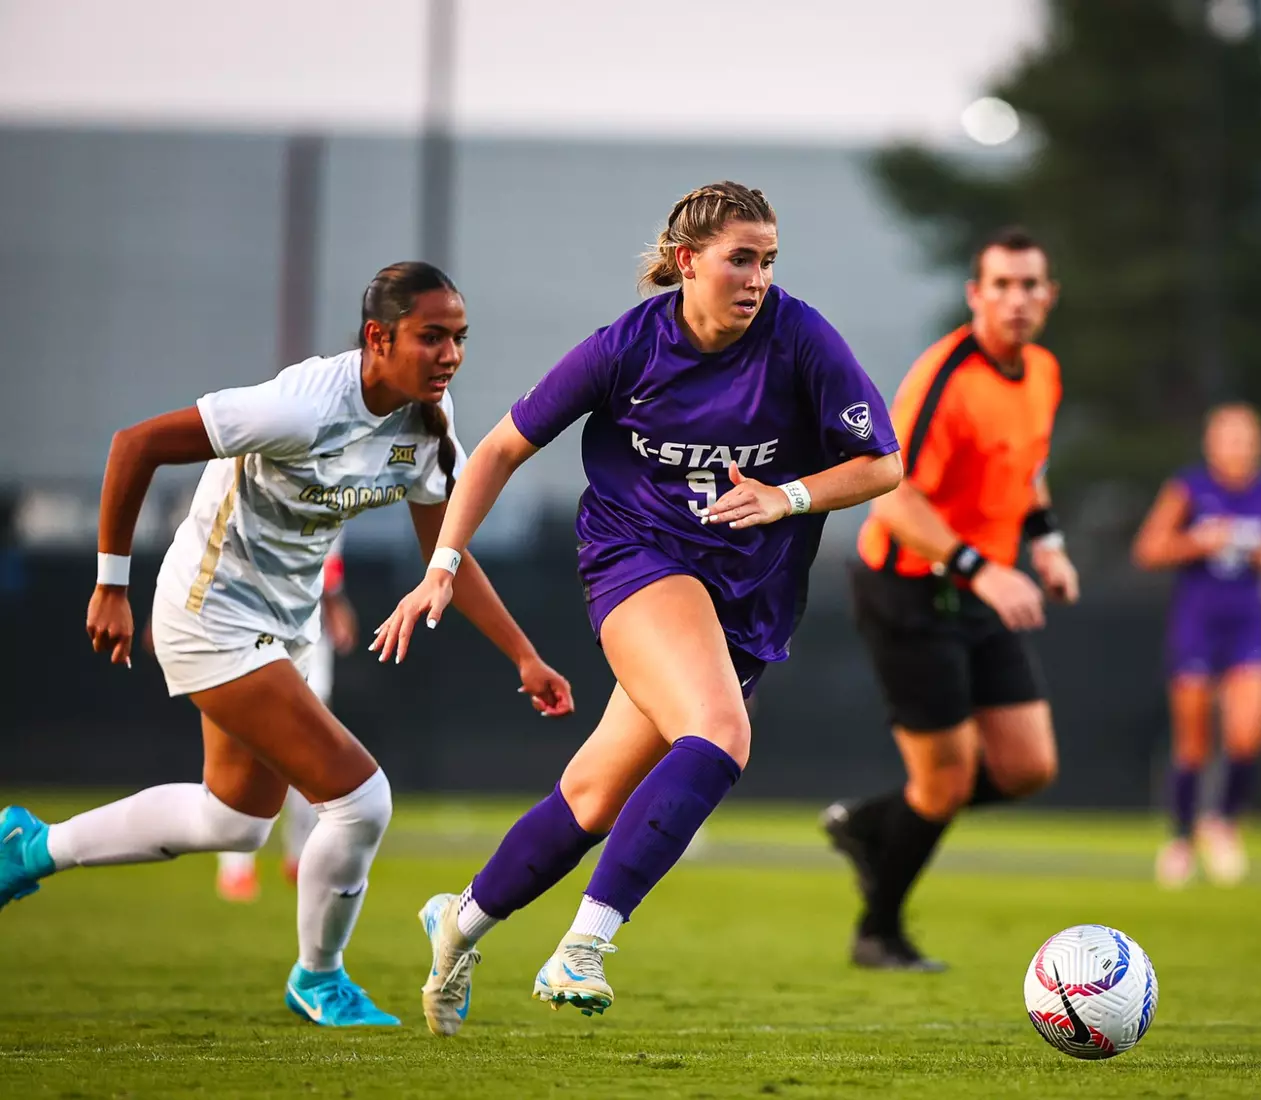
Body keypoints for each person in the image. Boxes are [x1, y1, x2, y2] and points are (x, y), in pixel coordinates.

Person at [370, 181, 903, 1035]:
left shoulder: (799, 336)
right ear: (686, 262)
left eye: (768, 260)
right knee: (723, 732)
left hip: (749, 593)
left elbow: (882, 463)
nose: (757, 277)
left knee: (591, 799)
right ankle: (585, 945)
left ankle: (459, 922)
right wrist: (443, 562)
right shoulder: (627, 347)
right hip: (639, 560)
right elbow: (501, 448)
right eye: (739, 258)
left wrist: (789, 496)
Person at [0, 262, 573, 1028]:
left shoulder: (422, 422)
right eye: (431, 337)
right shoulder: (301, 406)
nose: (449, 355)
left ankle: (30, 847)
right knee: (361, 800)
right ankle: (320, 975)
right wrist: (110, 584)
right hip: (211, 614)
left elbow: (448, 557)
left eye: (458, 339)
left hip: (286, 624)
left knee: (232, 821)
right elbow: (134, 444)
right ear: (379, 337)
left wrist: (523, 656)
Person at [822, 227, 1079, 972]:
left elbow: (1027, 468)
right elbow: (890, 496)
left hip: (977, 590)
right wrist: (983, 567)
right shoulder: (944, 376)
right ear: (976, 295)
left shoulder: (1042, 373)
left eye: (1031, 285)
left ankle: (872, 823)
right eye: (1001, 284)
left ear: (1049, 295)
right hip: (908, 591)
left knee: (1028, 766)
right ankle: (879, 931)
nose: (1017, 299)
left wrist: (1049, 541)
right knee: (946, 780)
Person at [1131, 403, 1261, 888]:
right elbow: (1148, 550)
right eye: (1228, 438)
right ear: (1211, 443)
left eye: (1245, 439)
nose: (1237, 448)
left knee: (1248, 734)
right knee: (1193, 740)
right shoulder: (1190, 489)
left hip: (1249, 624)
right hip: (1197, 624)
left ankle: (1222, 823)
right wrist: (1197, 543)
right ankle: (1180, 838)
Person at [214, 537, 354, 902]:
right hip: (254, 626)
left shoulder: (341, 487)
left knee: (309, 751)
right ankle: (236, 863)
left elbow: (328, 566)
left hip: (307, 634)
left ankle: (300, 854)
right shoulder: (249, 484)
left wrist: (335, 606)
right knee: (251, 746)